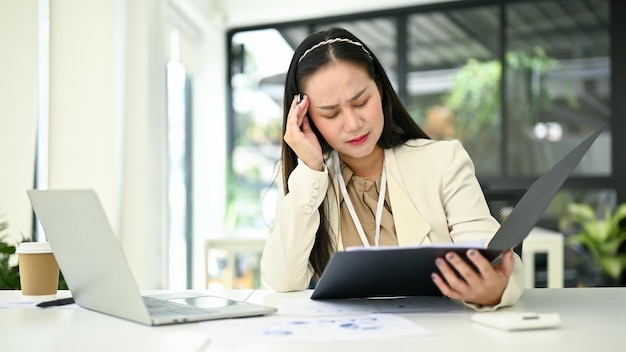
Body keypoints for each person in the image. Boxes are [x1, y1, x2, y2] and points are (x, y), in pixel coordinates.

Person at [261, 27, 523, 310]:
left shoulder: (442, 161)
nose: (353, 123)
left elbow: (493, 254)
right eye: (331, 113)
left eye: (361, 101)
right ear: (306, 119)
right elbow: (283, 281)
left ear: (381, 91)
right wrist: (311, 170)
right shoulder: (306, 181)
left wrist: (493, 288)